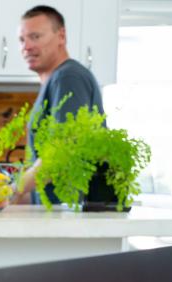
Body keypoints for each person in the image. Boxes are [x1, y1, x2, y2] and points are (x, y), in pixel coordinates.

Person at [13, 5, 106, 204]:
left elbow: (59, 155)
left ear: (61, 36)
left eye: (35, 37)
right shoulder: (57, 80)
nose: (26, 46)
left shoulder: (68, 77)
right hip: (59, 215)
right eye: (22, 39)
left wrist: (12, 189)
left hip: (68, 216)